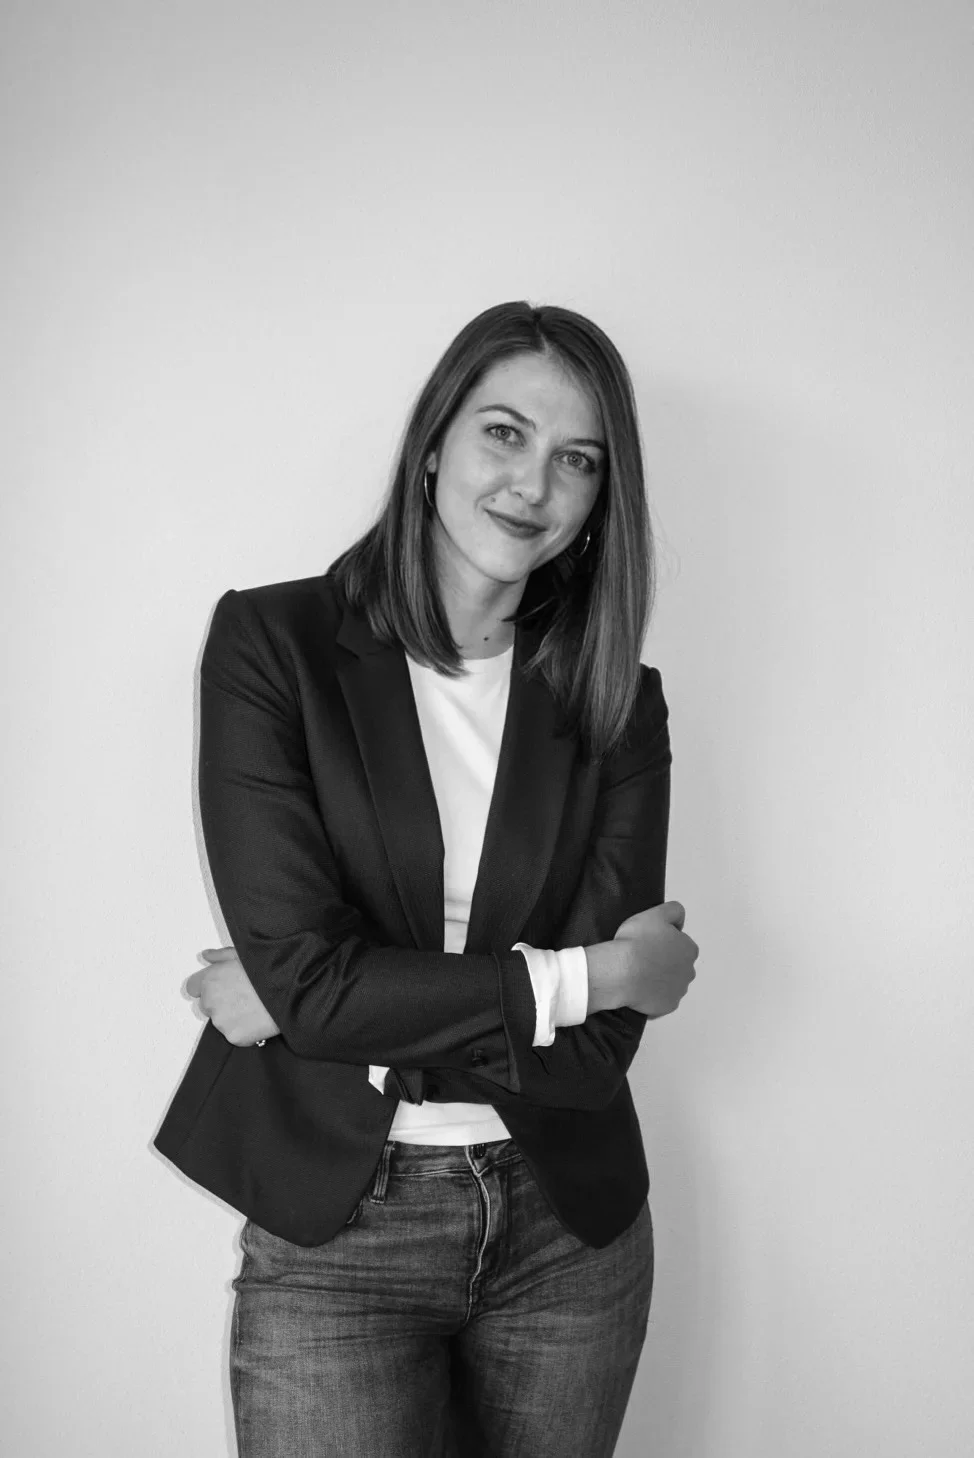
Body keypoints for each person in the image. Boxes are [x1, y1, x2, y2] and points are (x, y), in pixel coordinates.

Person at [154, 299, 699, 1458]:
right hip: (337, 1232)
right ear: (435, 441)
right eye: (503, 433)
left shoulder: (616, 701)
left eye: (577, 460)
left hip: (567, 1230)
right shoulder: (272, 647)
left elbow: (596, 1050)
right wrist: (595, 972)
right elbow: (319, 978)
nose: (532, 484)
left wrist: (311, 1006)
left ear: (602, 499)